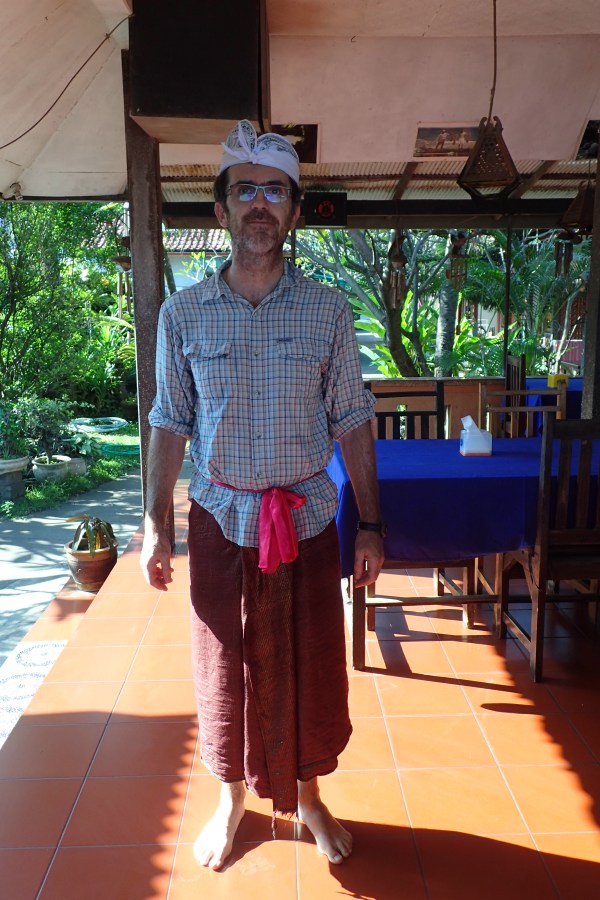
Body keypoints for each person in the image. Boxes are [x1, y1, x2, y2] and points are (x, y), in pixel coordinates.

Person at [140, 119, 384, 871]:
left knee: (312, 665)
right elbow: (169, 421)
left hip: (305, 520)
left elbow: (352, 419)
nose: (259, 203)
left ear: (295, 210)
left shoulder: (328, 311)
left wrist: (370, 524)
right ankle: (231, 800)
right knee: (224, 669)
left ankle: (309, 798)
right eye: (244, 190)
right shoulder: (182, 314)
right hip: (220, 517)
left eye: (275, 191)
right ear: (221, 209)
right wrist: (155, 524)